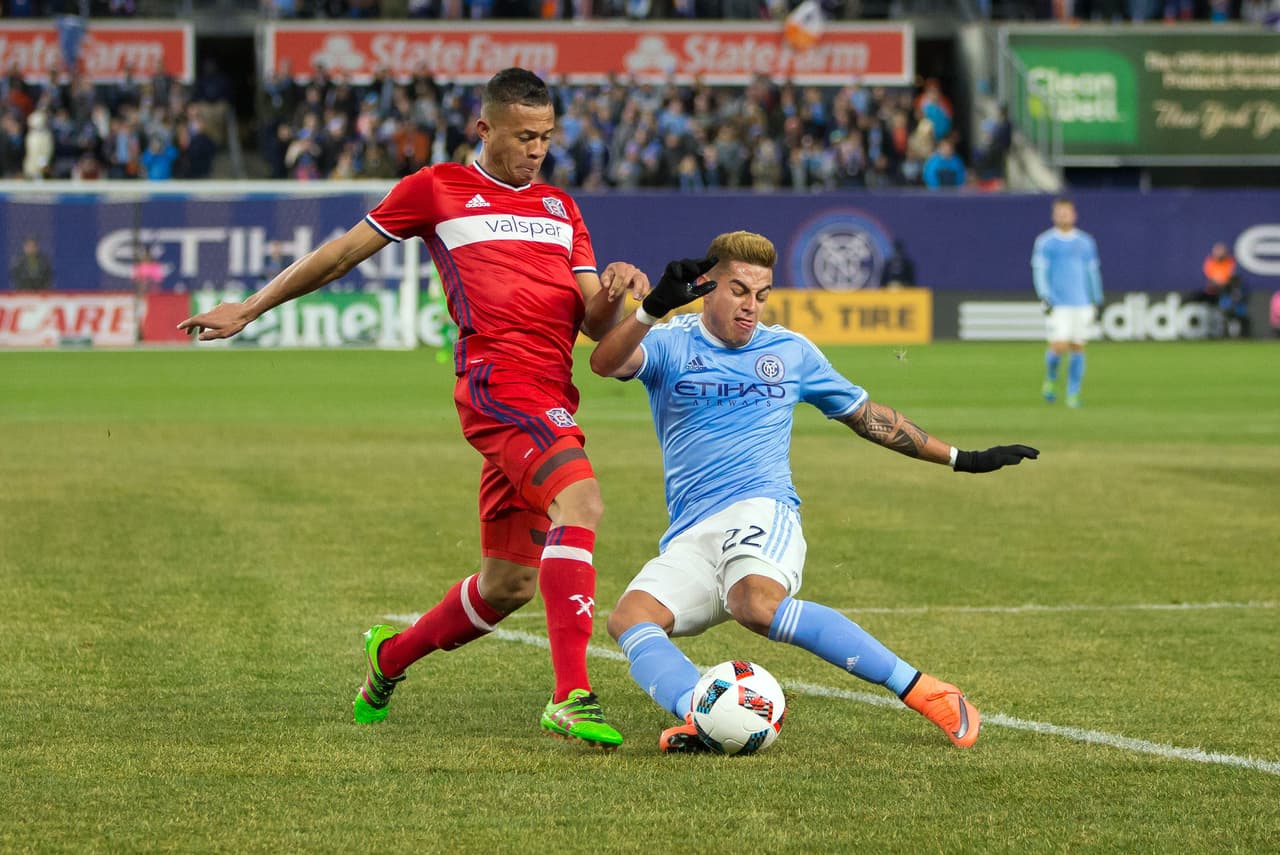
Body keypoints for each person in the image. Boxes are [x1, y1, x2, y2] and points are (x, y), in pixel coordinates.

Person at [177, 67, 650, 750]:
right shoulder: (438, 188)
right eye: (524, 136)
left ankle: (388, 658)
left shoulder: (560, 207)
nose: (537, 149)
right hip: (498, 383)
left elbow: (592, 320)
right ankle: (572, 695)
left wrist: (619, 288)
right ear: (484, 129)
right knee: (582, 501)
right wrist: (249, 308)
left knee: (509, 583)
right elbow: (341, 253)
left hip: (549, 391)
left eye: (546, 136)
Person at [588, 230, 1039, 753]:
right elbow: (605, 363)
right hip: (692, 529)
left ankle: (928, 691)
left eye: (761, 294)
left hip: (763, 506)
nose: (751, 306)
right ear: (705, 288)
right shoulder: (670, 342)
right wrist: (652, 310)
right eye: (738, 291)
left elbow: (869, 418)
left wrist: (962, 458)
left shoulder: (790, 351)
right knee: (629, 619)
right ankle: (701, 715)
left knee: (755, 604)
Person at [1032, 198, 1102, 408]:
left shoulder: (1085, 242)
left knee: (1078, 347)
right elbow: (1040, 271)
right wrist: (1044, 295)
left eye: (1067, 212)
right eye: (1059, 212)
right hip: (1058, 303)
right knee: (1058, 346)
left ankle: (1073, 394)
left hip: (1082, 302)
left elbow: (1092, 272)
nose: (1063, 216)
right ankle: (1051, 380)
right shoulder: (1045, 242)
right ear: (1054, 216)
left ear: (1074, 215)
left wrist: (1096, 298)